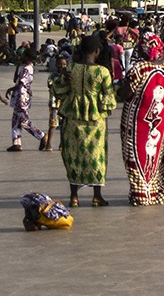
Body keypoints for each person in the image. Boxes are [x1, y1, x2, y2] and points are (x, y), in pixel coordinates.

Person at [50, 37, 115, 208]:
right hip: (95, 121)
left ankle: (74, 197)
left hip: (73, 118)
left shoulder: (71, 68)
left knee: (74, 155)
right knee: (97, 156)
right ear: (97, 51)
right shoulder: (102, 72)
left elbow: (58, 89)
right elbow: (109, 99)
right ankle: (97, 196)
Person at [118, 33, 164, 204]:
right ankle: (154, 191)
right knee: (154, 156)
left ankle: (141, 194)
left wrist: (118, 90)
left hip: (136, 123)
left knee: (136, 155)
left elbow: (126, 92)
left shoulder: (139, 69)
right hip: (158, 124)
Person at [6, 46, 49, 152]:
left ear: (27, 57)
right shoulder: (25, 67)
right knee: (16, 120)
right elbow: (15, 79)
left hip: (22, 97)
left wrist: (10, 89)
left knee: (23, 120)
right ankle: (16, 143)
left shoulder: (27, 69)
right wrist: (17, 66)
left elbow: (20, 83)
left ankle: (41, 136)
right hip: (19, 97)